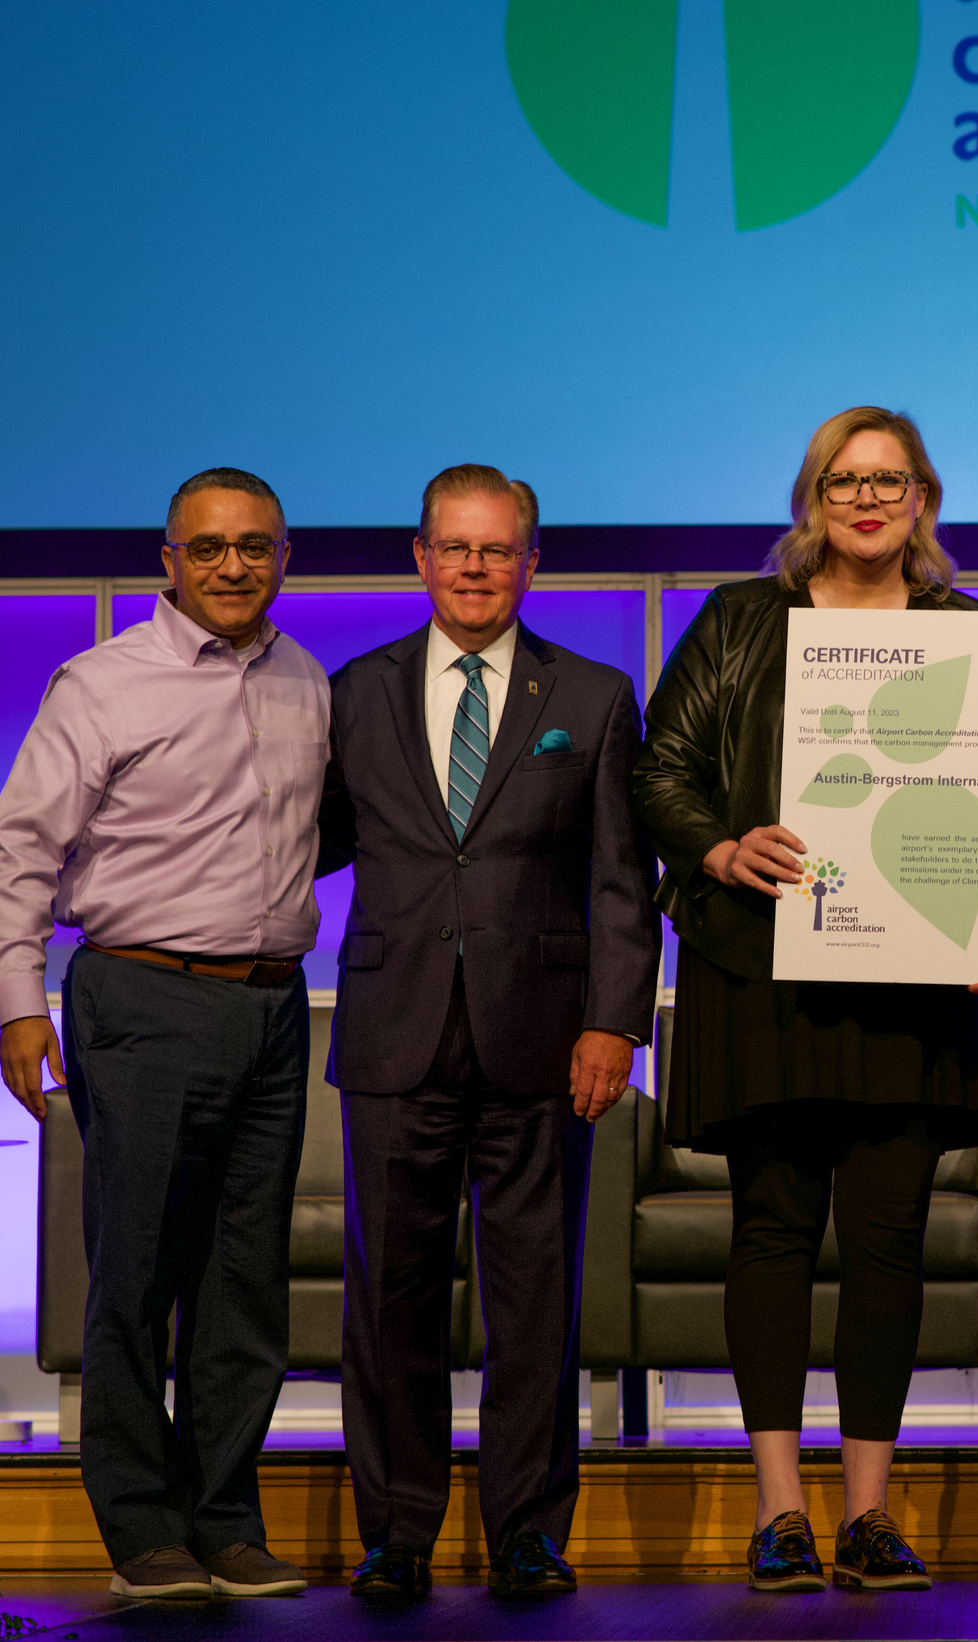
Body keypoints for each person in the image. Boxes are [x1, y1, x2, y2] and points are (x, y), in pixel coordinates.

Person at [632, 407, 978, 1594]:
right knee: (774, 1231)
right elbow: (659, 767)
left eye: (889, 480)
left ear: (922, 499)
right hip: (766, 971)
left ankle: (872, 1513)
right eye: (844, 481)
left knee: (889, 1242)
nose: (867, 500)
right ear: (813, 500)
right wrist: (717, 845)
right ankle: (782, 1510)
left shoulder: (970, 631)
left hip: (916, 984)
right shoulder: (741, 620)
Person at [0, 468, 325, 1601]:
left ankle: (224, 1520)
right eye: (208, 547)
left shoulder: (306, 679)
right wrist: (19, 1001)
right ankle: (139, 1529)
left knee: (244, 1281)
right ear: (169, 561)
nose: (233, 565)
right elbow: (20, 849)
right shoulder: (103, 682)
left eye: (255, 545)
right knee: (135, 1268)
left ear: (284, 557)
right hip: (141, 997)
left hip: (273, 1007)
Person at [318, 464, 658, 1601]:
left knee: (536, 1300)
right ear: (420, 558)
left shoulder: (594, 696)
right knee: (390, 1300)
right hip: (394, 1031)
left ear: (531, 562)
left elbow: (621, 880)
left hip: (545, 1038)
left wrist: (615, 1021)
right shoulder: (354, 691)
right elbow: (304, 840)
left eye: (497, 549)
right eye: (455, 548)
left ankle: (528, 1531)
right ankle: (396, 1533)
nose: (475, 568)